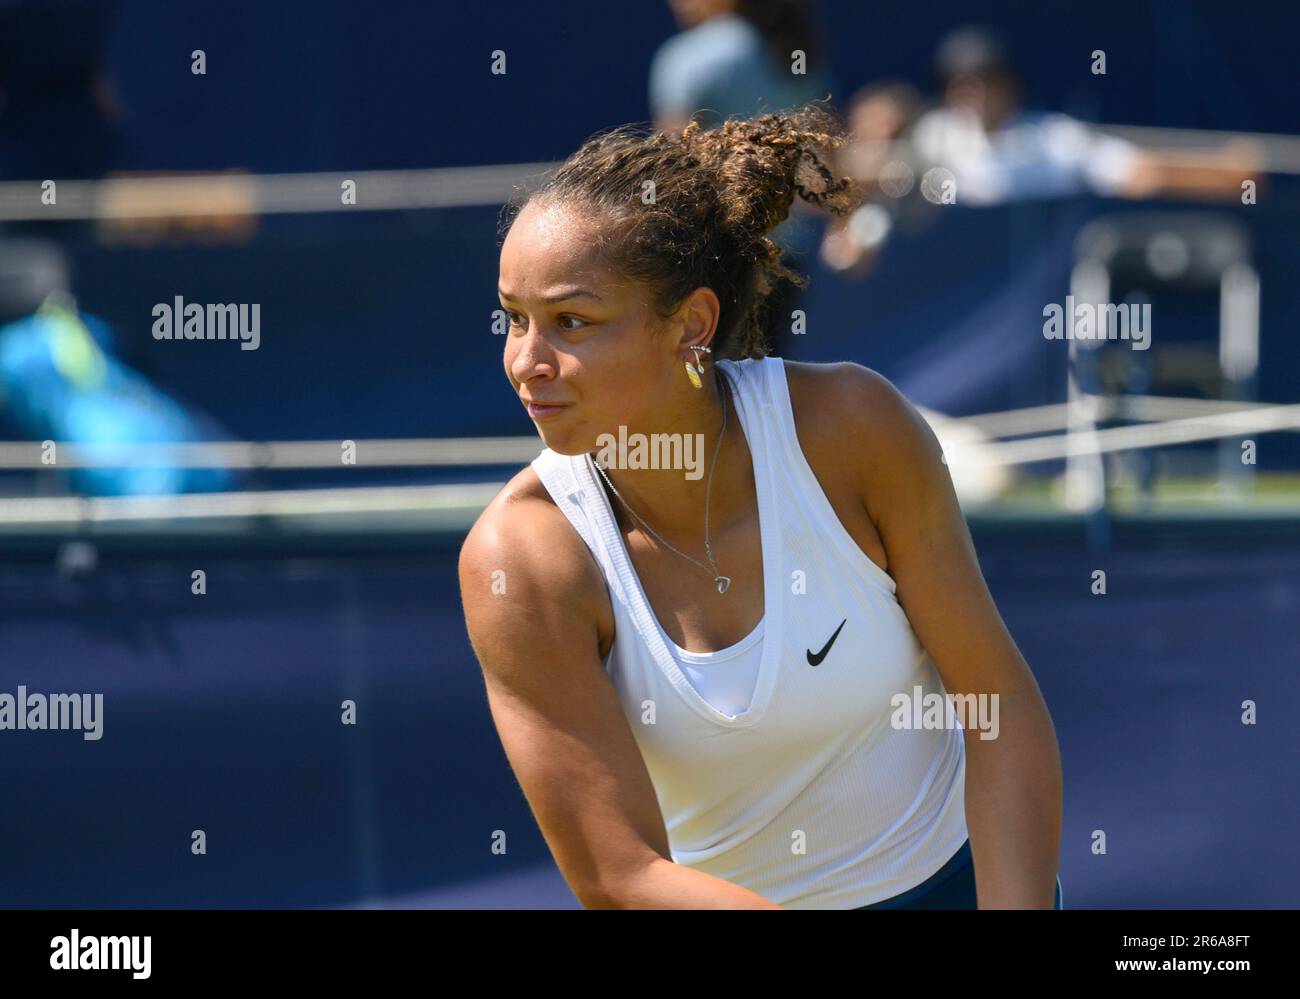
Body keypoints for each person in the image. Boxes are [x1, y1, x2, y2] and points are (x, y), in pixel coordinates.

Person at [459, 104, 1064, 909]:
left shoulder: (854, 428)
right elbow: (619, 876)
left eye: (572, 321)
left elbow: (997, 702)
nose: (527, 362)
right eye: (514, 319)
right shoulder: (520, 559)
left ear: (691, 327)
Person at [649, 0, 836, 357]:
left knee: (710, 386)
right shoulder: (792, 50)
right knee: (764, 384)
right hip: (786, 257)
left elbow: (669, 166)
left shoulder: (686, 57)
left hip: (713, 257)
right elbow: (824, 161)